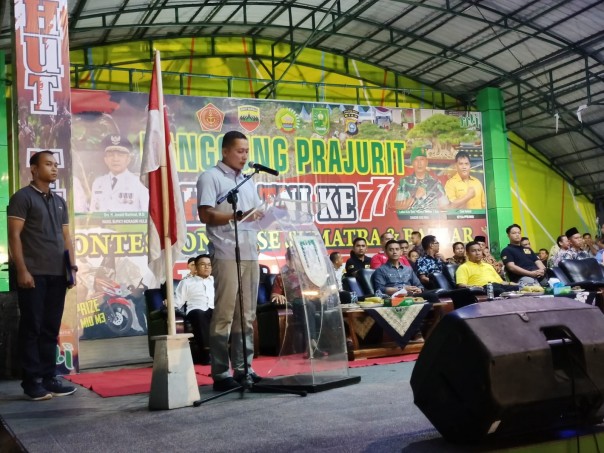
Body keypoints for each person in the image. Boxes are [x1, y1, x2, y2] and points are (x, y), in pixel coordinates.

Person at [7, 150, 77, 400]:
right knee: (32, 327)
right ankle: (32, 381)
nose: (54, 169)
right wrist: (22, 270)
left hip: (58, 274)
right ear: (34, 169)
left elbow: (67, 237)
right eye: (48, 164)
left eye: (55, 164)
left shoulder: (59, 201)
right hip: (33, 274)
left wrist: (72, 268)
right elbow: (14, 236)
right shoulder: (22, 198)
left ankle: (49, 377)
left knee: (50, 328)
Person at [197, 131, 262, 391]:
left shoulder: (247, 182)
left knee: (246, 315)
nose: (244, 156)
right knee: (224, 314)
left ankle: (244, 367)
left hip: (250, 252)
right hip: (225, 252)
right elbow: (205, 214)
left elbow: (255, 213)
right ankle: (221, 372)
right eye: (239, 151)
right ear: (225, 151)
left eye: (247, 151)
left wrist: (264, 214)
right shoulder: (210, 177)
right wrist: (236, 216)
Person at [271, 249, 327, 358]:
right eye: (296, 257)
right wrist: (279, 295)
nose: (299, 259)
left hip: (310, 300)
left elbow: (317, 290)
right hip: (295, 303)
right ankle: (312, 344)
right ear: (289, 259)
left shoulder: (307, 275)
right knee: (307, 305)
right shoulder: (281, 276)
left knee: (323, 304)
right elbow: (273, 295)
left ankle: (331, 343)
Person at [89, 135, 149, 212]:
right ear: (106, 160)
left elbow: (146, 214)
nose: (115, 159)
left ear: (128, 159)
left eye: (120, 155)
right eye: (111, 155)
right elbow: (92, 214)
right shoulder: (98, 183)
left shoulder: (139, 183)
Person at [174, 254, 214, 365]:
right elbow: (178, 301)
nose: (206, 267)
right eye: (203, 265)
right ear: (195, 267)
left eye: (209, 265)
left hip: (214, 309)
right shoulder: (186, 282)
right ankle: (206, 353)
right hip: (196, 310)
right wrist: (169, 304)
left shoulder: (216, 281)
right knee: (199, 314)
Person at [371, 240, 438, 302]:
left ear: (401, 252)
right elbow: (380, 289)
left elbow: (419, 285)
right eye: (391, 250)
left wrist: (419, 289)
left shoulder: (408, 269)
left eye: (397, 249)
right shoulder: (380, 270)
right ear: (386, 252)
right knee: (432, 296)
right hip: (393, 298)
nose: (394, 252)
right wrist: (402, 289)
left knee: (436, 293)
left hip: (411, 296)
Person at [394, 147, 448, 212]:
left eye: (422, 159)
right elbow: (398, 206)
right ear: (412, 163)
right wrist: (414, 197)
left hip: (430, 220)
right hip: (409, 220)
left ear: (426, 162)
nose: (419, 163)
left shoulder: (435, 183)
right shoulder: (405, 182)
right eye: (416, 160)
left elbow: (445, 207)